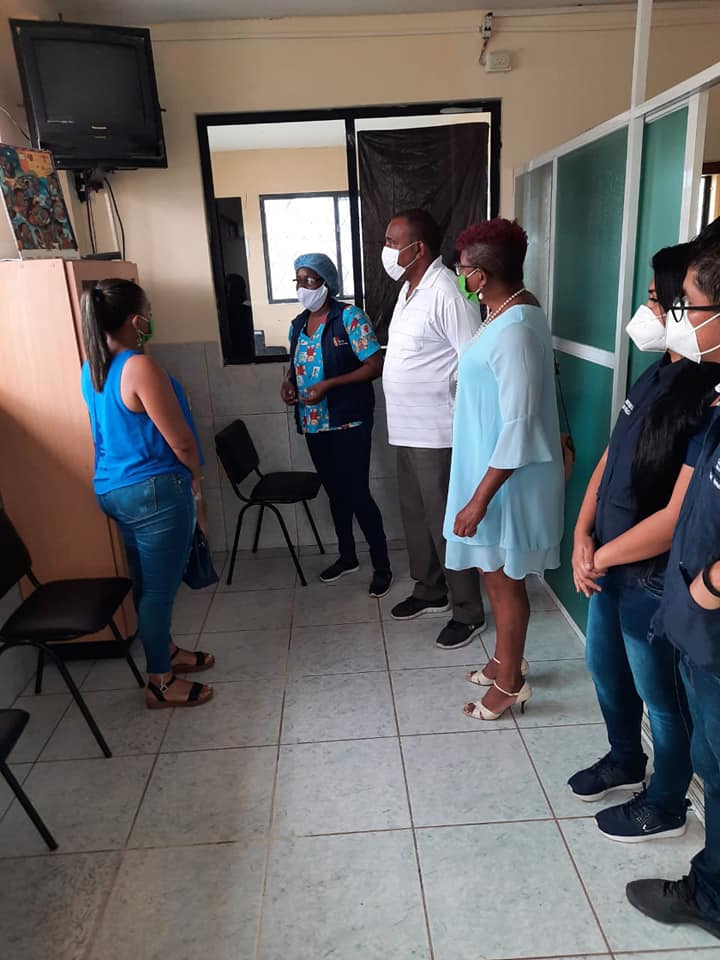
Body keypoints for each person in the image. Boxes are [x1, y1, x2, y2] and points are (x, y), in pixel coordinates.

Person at [568, 241, 720, 842]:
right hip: (606, 561)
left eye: (661, 302)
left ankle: (666, 802)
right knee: (605, 668)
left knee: (661, 696)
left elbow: (679, 514)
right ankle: (624, 758)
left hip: (649, 575)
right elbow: (610, 460)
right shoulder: (658, 372)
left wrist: (600, 556)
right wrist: (581, 533)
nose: (650, 313)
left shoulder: (707, 397)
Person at [624, 241, 720, 939]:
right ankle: (710, 888)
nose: (678, 317)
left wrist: (704, 591)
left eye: (691, 305)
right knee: (712, 765)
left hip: (708, 621)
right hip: (699, 633)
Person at [443, 218, 564, 719]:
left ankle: (511, 683)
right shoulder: (502, 313)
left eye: (462, 268)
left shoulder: (515, 329)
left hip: (506, 481)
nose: (459, 275)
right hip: (486, 468)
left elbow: (519, 426)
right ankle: (502, 660)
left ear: (481, 274)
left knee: (504, 581)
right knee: (492, 572)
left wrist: (479, 500)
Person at [80, 279, 214, 709]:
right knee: (159, 591)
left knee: (146, 582)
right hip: (154, 492)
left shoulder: (92, 367)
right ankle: (160, 681)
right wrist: (196, 487)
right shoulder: (139, 367)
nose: (152, 319)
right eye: (149, 312)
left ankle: (166, 651)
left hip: (115, 489)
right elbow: (182, 442)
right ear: (136, 321)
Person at [381, 208, 485, 648]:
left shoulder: (447, 291)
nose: (386, 250)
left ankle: (468, 610)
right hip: (405, 429)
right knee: (416, 516)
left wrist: (465, 425)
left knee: (446, 523)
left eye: (392, 242)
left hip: (439, 434)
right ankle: (429, 590)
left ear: (418, 248)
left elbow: (473, 360)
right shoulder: (409, 291)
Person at [281, 253, 392, 597]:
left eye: (310, 280)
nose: (303, 287)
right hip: (314, 424)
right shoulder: (298, 324)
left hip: (349, 421)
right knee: (335, 493)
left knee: (357, 493)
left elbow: (374, 365)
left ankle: (382, 566)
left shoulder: (349, 318)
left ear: (327, 283)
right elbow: (296, 366)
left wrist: (329, 385)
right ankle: (348, 557)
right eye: (299, 281)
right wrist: (288, 384)